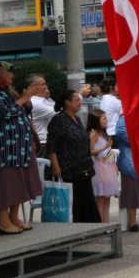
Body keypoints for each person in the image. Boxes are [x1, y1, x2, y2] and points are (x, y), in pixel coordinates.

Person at [0, 61, 43, 234]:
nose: (13, 76)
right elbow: (4, 112)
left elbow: (20, 110)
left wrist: (26, 103)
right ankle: (3, 220)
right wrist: (23, 99)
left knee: (19, 181)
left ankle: (14, 216)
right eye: (10, 72)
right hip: (2, 146)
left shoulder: (4, 90)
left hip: (17, 146)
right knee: (5, 181)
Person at [48, 89, 102, 224]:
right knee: (75, 200)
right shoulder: (58, 120)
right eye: (77, 100)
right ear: (67, 102)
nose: (80, 102)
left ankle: (88, 227)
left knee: (86, 198)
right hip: (68, 168)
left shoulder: (77, 119)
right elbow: (52, 145)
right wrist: (55, 166)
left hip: (83, 167)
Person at [87, 109, 120, 224]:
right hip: (100, 166)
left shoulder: (104, 134)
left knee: (106, 197)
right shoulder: (93, 134)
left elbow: (109, 151)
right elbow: (90, 151)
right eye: (104, 118)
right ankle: (100, 222)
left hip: (108, 164)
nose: (107, 120)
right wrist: (104, 147)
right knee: (101, 197)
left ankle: (106, 222)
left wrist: (114, 163)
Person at [26, 73, 55, 157]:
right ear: (34, 86)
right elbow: (60, 112)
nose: (46, 87)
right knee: (43, 169)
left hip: (46, 142)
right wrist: (79, 96)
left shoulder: (46, 101)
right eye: (43, 84)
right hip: (41, 144)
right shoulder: (34, 103)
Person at [98, 78, 122, 147]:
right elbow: (126, 112)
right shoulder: (113, 100)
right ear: (111, 88)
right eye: (117, 86)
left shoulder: (104, 99)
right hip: (114, 132)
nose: (118, 89)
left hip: (107, 132)